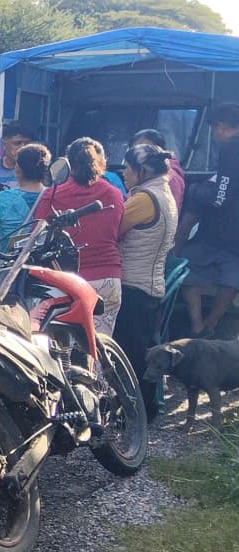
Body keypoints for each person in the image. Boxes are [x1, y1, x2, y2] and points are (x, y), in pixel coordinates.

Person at [32, 137, 125, 335]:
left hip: (66, 281)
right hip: (107, 277)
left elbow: (37, 236)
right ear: (101, 163)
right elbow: (116, 232)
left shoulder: (52, 194)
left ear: (67, 164)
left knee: (60, 346)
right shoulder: (114, 194)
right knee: (99, 343)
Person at [112, 144, 178, 421]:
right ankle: (146, 410)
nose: (124, 174)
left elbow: (112, 230)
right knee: (142, 351)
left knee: (130, 354)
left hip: (133, 285)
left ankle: (135, 413)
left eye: (127, 168)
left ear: (141, 171)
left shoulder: (144, 199)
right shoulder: (163, 192)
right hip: (149, 284)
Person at [176, 103, 239, 338]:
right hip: (235, 239)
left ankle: (198, 325)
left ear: (220, 128)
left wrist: (195, 191)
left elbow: (221, 196)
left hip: (218, 233)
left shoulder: (232, 148)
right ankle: (211, 325)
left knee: (187, 269)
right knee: (231, 280)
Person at [0, 143, 49, 254]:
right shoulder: (54, 197)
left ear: (18, 170)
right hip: (43, 264)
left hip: (7, 265)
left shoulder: (1, 199)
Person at [131, 128, 185, 213]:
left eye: (146, 148)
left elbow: (166, 213)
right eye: (135, 150)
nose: (140, 153)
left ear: (159, 150)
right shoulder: (146, 172)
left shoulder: (169, 178)